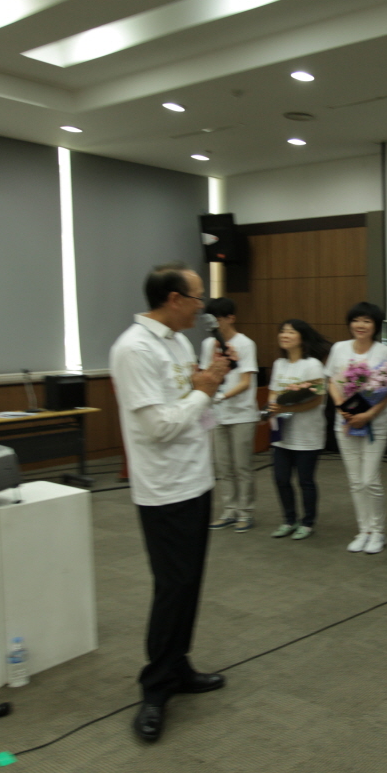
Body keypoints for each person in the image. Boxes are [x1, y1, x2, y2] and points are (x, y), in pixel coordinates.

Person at [109, 261, 231, 743]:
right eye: (198, 298)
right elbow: (157, 425)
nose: (203, 308)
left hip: (195, 479)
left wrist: (209, 383)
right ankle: (155, 687)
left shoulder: (179, 343)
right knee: (172, 586)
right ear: (174, 299)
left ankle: (178, 667)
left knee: (189, 584)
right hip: (164, 489)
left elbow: (190, 402)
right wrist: (203, 392)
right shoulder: (134, 349)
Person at [326, 303, 387, 554]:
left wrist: (368, 414)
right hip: (345, 423)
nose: (361, 325)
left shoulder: (384, 351)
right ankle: (363, 530)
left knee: (370, 480)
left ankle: (378, 532)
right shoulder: (339, 348)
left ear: (375, 325)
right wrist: (340, 407)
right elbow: (331, 381)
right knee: (356, 482)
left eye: (367, 321)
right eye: (356, 320)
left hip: (374, 424)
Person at [200, 297, 259, 532]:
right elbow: (206, 375)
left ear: (230, 318)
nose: (214, 323)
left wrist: (222, 396)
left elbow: (246, 381)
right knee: (223, 466)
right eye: (211, 319)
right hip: (217, 414)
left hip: (242, 413)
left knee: (242, 466)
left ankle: (246, 512)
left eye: (218, 318)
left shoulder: (245, 344)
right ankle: (229, 510)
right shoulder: (208, 344)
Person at [267, 319, 329, 540]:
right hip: (282, 433)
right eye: (282, 331)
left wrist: (287, 407)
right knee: (281, 479)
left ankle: (308, 522)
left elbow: (317, 400)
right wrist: (273, 406)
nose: (284, 335)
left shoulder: (313, 365)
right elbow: (273, 392)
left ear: (302, 337)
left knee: (305, 480)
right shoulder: (279, 364)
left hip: (307, 433)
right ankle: (289, 520)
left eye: (290, 332)